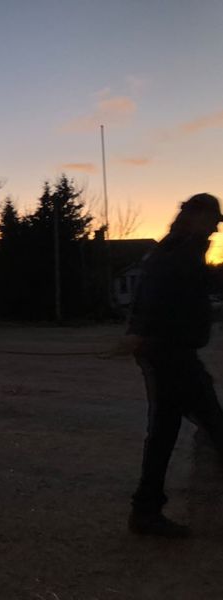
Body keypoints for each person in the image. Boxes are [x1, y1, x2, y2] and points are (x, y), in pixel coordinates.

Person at [126, 192, 223, 537]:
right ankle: (146, 510)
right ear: (198, 217)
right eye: (213, 220)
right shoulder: (181, 251)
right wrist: (143, 334)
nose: (216, 228)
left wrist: (138, 334)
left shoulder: (172, 247)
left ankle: (145, 510)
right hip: (173, 353)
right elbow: (154, 296)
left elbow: (149, 295)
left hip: (166, 352)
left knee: (165, 431)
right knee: (213, 423)